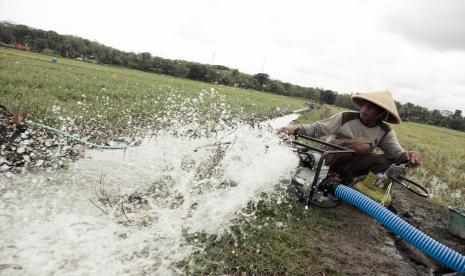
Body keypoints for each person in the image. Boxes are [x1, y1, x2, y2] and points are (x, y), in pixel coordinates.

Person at [279, 91, 421, 181]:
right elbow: (318, 128)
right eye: (365, 106)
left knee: (386, 161)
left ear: (381, 114)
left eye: (371, 108)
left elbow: (397, 154)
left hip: (353, 164)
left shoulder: (385, 131)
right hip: (330, 155)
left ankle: (346, 178)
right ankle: (327, 174)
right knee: (363, 146)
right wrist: (294, 128)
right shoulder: (346, 117)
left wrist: (409, 156)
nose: (365, 110)